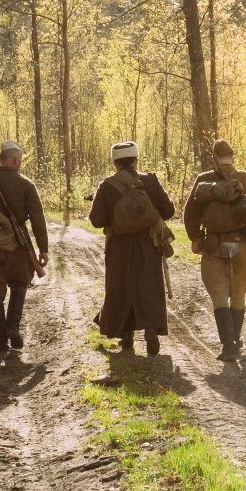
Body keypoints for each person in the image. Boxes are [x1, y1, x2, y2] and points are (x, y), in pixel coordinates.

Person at [184, 138, 246, 361]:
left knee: (219, 296)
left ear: (214, 159)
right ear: (233, 156)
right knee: (238, 295)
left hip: (214, 245)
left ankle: (229, 345)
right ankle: (235, 338)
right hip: (241, 245)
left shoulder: (203, 180)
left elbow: (190, 214)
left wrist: (195, 238)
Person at [90, 140, 175, 355]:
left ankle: (126, 337)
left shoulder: (107, 186)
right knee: (149, 287)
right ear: (136, 159)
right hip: (149, 244)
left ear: (114, 162)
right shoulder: (151, 181)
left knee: (120, 288)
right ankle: (151, 332)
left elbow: (96, 220)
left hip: (119, 247)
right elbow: (169, 210)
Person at [0, 140, 48, 356]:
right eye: (20, 160)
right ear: (15, 160)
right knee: (20, 284)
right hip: (18, 245)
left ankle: (1, 342)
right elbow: (37, 218)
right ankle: (13, 327)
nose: (20, 163)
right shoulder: (26, 185)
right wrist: (43, 248)